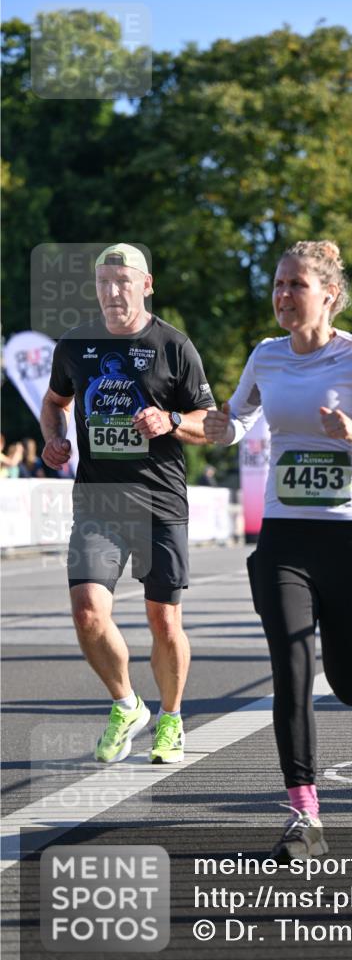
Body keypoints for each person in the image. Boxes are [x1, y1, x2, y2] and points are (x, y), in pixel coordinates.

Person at [204, 239, 352, 860]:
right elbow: (236, 421)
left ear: (329, 296)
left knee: (344, 675)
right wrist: (210, 426)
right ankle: (304, 813)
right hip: (283, 535)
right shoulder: (266, 355)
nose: (282, 295)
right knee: (291, 669)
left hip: (347, 536)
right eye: (278, 284)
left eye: (296, 285)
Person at [40, 243, 215, 765]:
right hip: (98, 502)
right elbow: (54, 402)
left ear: (146, 284)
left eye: (123, 281)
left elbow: (210, 421)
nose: (112, 291)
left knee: (164, 622)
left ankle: (171, 718)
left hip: (159, 501)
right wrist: (54, 438)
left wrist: (172, 421)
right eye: (103, 282)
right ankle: (126, 704)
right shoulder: (75, 345)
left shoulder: (173, 346)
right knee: (87, 613)